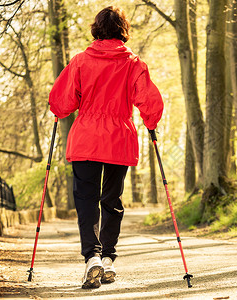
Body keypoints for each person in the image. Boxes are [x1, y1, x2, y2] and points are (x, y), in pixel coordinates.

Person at [48, 6, 164, 289]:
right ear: (123, 30)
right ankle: (109, 258)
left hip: (87, 137)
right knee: (112, 201)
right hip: (118, 139)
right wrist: (150, 123)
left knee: (86, 200)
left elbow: (61, 102)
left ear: (96, 29)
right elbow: (150, 101)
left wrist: (58, 108)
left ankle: (93, 258)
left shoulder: (80, 62)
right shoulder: (133, 63)